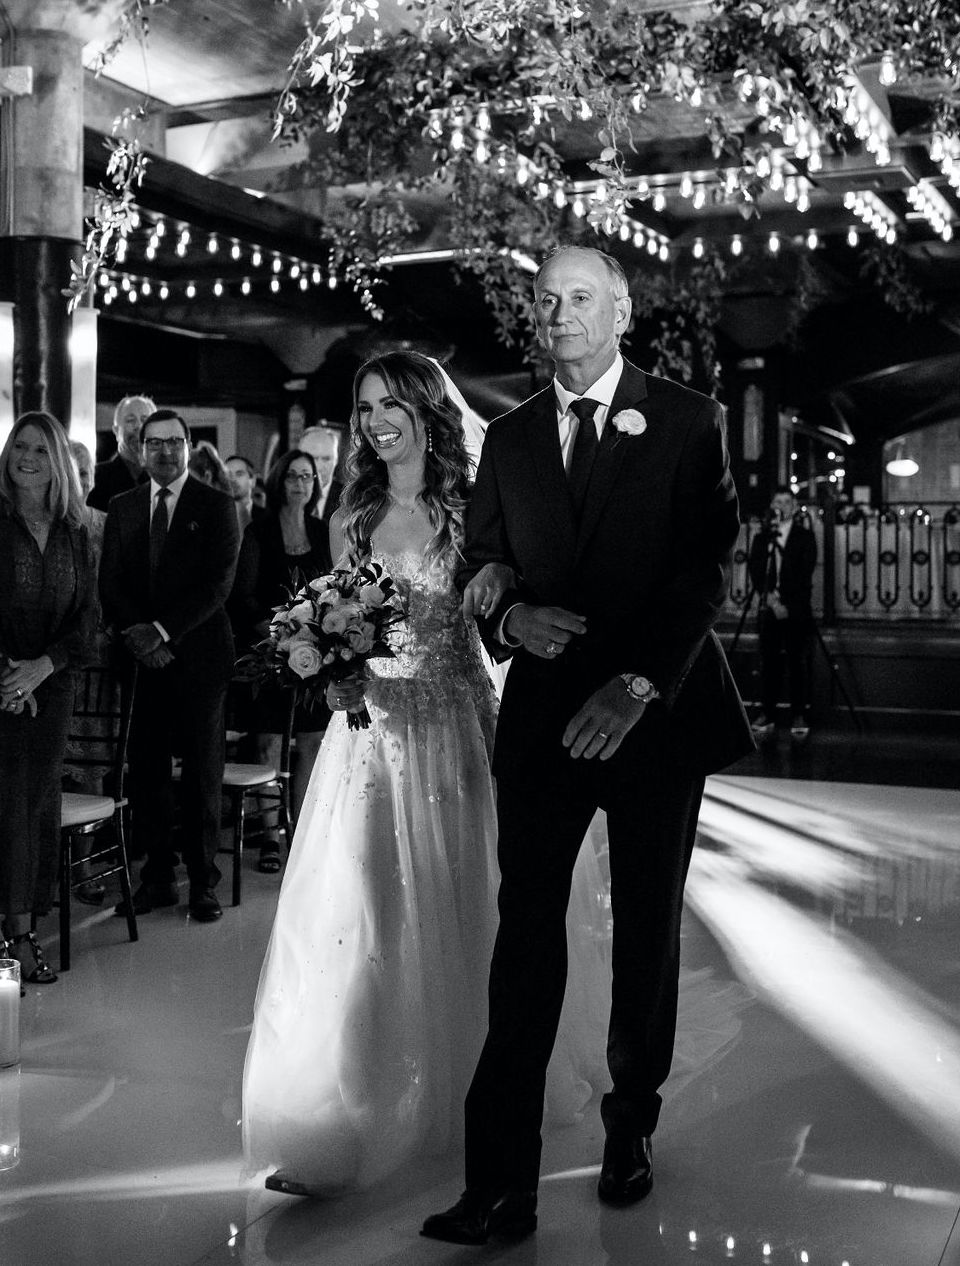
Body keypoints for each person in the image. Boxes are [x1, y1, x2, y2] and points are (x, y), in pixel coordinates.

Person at [422, 245, 754, 1246]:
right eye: (546, 300)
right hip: (542, 721)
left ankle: (629, 1127)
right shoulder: (513, 436)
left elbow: (709, 571)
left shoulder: (689, 419)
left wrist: (639, 681)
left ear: (620, 314)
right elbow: (486, 563)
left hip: (655, 713)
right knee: (524, 937)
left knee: (647, 930)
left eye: (578, 299)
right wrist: (510, 619)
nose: (558, 314)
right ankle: (499, 1186)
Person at [242, 351, 610, 1196]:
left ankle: (469, 1094)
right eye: (364, 407)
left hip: (457, 728)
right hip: (370, 741)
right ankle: (359, 1106)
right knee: (369, 919)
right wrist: (331, 668)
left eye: (388, 405)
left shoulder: (470, 506)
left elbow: (494, 627)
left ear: (422, 409)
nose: (373, 421)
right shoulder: (353, 513)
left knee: (465, 907)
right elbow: (341, 619)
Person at [100, 408, 240, 924]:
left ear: (187, 445)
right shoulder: (123, 506)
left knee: (203, 772)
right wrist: (141, 637)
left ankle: (203, 882)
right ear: (140, 447)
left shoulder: (218, 504)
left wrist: (162, 631)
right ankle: (157, 877)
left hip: (200, 658)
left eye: (173, 442)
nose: (163, 451)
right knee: (148, 774)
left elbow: (217, 584)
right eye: (152, 443)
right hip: (141, 662)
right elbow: (111, 583)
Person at [0, 412, 94, 985]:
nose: (26, 457)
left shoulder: (75, 530)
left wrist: (40, 669)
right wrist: (8, 678)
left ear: (57, 460)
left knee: (35, 809)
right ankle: (8, 931)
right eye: (18, 446)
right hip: (1, 688)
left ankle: (24, 927)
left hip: (51, 690)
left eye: (39, 448)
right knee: (4, 807)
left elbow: (88, 622)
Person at [228, 449, 332, 872]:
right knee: (269, 742)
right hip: (271, 653)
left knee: (311, 742)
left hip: (318, 653)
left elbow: (335, 586)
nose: (300, 483)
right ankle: (270, 835)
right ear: (278, 480)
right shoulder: (259, 532)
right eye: (292, 475)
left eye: (307, 476)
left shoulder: (324, 531)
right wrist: (278, 633)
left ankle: (301, 831)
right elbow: (244, 597)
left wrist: (320, 631)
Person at [748, 486, 817, 741]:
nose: (782, 505)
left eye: (787, 501)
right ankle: (767, 713)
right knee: (770, 662)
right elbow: (756, 568)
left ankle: (799, 713)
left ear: (794, 506)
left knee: (797, 661)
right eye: (778, 501)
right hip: (770, 607)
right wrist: (770, 599)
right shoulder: (763, 536)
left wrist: (786, 603)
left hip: (795, 609)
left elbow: (804, 573)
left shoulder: (804, 536)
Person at [87, 394, 155, 511]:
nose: (138, 426)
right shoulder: (96, 478)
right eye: (130, 420)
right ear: (116, 431)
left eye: (144, 420)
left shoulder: (162, 478)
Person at [297, 425, 343, 524]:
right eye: (312, 458)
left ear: (336, 460)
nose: (319, 466)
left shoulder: (352, 501)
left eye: (326, 459)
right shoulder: (283, 497)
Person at [225, 454, 262, 535]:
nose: (233, 480)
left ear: (253, 481)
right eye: (228, 475)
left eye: (239, 474)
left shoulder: (268, 518)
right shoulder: (214, 517)